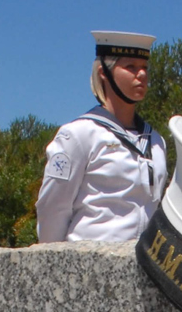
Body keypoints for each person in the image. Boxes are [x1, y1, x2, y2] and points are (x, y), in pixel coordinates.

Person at [36, 32, 167, 244]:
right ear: (103, 72)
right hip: (86, 264)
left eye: (144, 67)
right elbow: (52, 208)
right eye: (131, 67)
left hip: (140, 264)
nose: (141, 74)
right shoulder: (78, 135)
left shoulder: (157, 142)